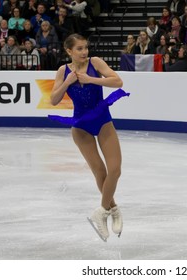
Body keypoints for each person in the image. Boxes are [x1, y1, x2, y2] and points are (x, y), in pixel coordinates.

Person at [49, 33, 128, 241]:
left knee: (115, 169)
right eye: (79, 49)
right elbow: (54, 100)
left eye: (85, 47)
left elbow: (118, 82)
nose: (84, 52)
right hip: (81, 127)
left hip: (102, 121)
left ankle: (102, 211)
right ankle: (114, 210)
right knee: (100, 172)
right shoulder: (62, 71)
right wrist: (67, 82)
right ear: (69, 51)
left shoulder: (96, 62)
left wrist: (90, 79)